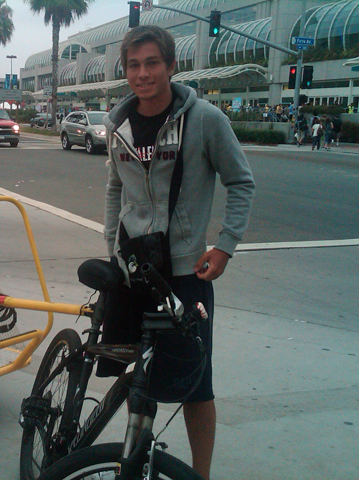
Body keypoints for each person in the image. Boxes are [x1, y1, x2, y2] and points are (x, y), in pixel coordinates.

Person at [99, 26, 255, 480]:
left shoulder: (204, 119)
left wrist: (224, 246)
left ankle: (199, 475)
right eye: (133, 65)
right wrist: (113, 245)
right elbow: (115, 188)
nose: (142, 73)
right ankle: (134, 458)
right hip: (133, 267)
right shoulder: (117, 123)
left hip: (185, 273)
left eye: (151, 63)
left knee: (194, 386)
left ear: (171, 65)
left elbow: (241, 182)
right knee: (132, 367)